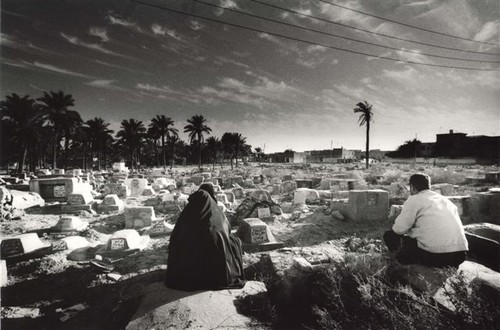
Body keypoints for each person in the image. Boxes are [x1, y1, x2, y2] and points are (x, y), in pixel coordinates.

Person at [165, 183, 245, 291]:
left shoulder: (187, 213)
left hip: (188, 268)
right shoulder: (217, 213)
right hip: (217, 268)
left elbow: (175, 237)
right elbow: (227, 232)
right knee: (235, 242)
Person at [384, 173, 468, 268]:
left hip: (436, 256)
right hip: (459, 256)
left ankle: (404, 266)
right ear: (429, 186)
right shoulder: (445, 200)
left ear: (412, 187)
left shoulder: (415, 199)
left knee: (389, 235)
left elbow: (399, 229)